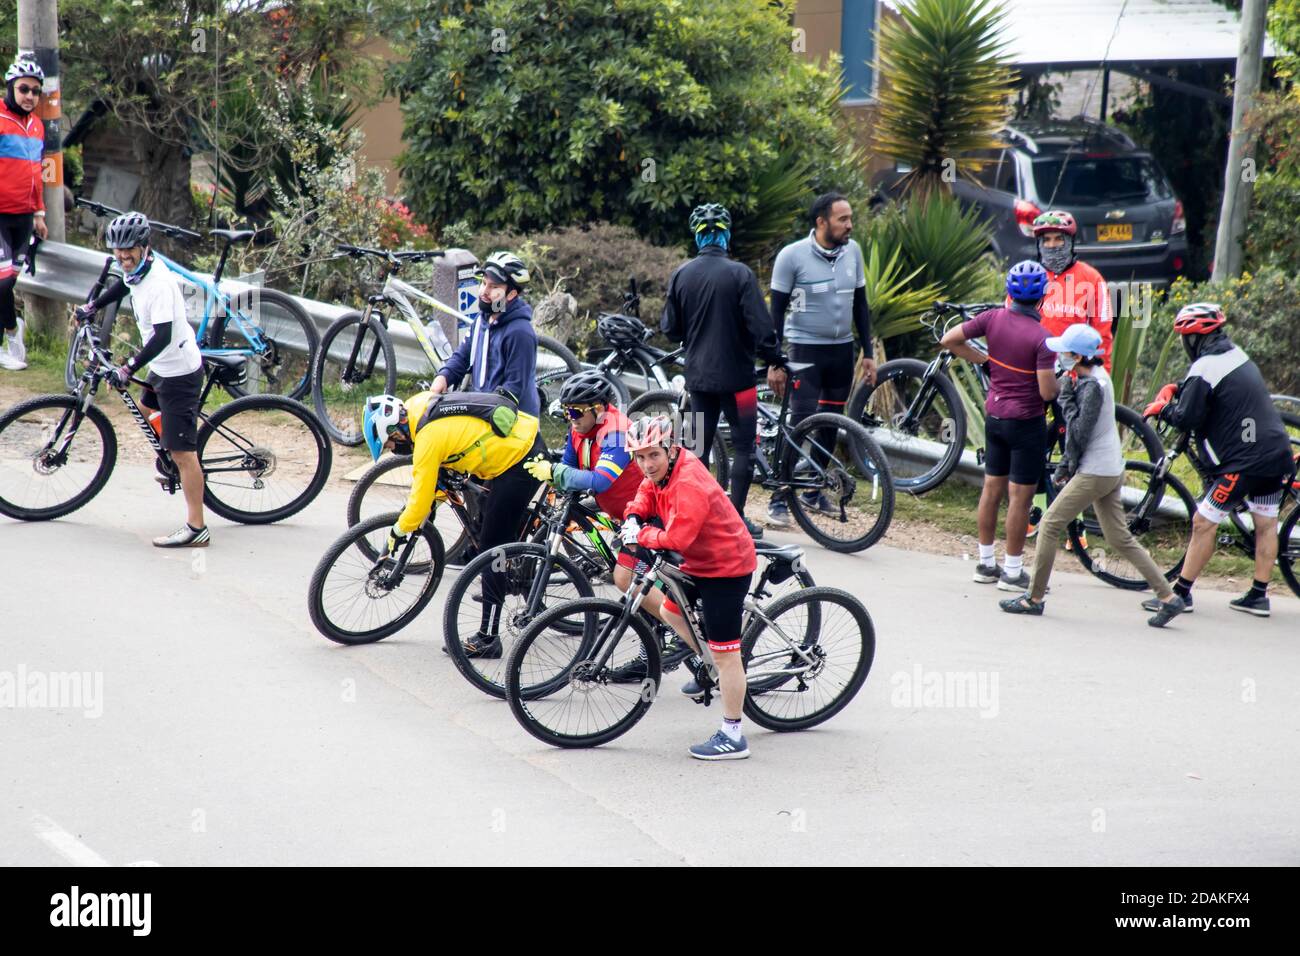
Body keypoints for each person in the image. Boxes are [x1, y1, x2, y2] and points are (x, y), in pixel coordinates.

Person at [999, 324, 1185, 626]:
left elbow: (1078, 432)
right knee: (1119, 537)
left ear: (1077, 355)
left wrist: (1065, 464)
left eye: (1064, 353)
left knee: (1048, 526)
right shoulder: (1097, 377)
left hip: (1096, 472)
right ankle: (1169, 597)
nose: (1060, 357)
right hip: (1111, 468)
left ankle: (1033, 598)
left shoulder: (1090, 388)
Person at [362, 388, 543, 654]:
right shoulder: (417, 406)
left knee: (493, 550)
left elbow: (420, 502)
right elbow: (435, 481)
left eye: (389, 444)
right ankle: (517, 570)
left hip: (519, 458)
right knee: (488, 518)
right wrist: (423, 507)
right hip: (513, 442)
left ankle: (488, 639)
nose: (393, 449)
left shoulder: (426, 439)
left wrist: (397, 533)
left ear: (396, 432)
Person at [1143, 303, 1295, 618]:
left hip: (1245, 461)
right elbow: (1222, 394)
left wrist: (1161, 408)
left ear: (1193, 339)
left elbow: (1187, 417)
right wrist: (1181, 389)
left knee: (1202, 522)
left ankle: (1181, 594)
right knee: (1266, 523)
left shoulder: (1205, 366)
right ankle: (1258, 595)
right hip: (1274, 453)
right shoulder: (1235, 354)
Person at [620, 414, 757, 760]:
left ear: (670, 448)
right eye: (640, 456)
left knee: (727, 656)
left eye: (653, 455)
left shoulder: (688, 483)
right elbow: (647, 490)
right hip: (700, 562)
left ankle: (733, 735)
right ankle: (708, 662)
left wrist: (642, 535)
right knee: (668, 609)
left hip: (726, 567)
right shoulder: (664, 471)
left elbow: (677, 537)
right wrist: (635, 515)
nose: (647, 464)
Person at [74, 212, 208, 546]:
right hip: (162, 367)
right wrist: (93, 306)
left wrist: (127, 368)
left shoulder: (159, 284)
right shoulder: (139, 269)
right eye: (118, 251)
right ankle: (172, 450)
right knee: (147, 415)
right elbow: (123, 284)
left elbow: (161, 336)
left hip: (178, 373)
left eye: (129, 250)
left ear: (145, 246)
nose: (123, 256)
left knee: (183, 454)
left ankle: (197, 527)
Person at [662, 203, 786, 540]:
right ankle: (736, 518)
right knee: (744, 446)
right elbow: (761, 327)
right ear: (726, 235)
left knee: (697, 448)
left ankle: (698, 518)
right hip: (740, 382)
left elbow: (671, 330)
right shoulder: (741, 274)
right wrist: (775, 357)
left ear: (698, 237)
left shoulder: (681, 274)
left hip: (700, 380)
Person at [940, 261, 1059, 591]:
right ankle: (1012, 571)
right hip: (1026, 424)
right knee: (1019, 500)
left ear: (1009, 293)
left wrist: (986, 361)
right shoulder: (1043, 339)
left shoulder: (991, 318)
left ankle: (985, 564)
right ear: (1042, 299)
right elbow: (1048, 391)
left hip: (994, 419)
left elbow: (949, 339)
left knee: (991, 490)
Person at [766, 191, 876, 527]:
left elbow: (860, 303)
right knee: (799, 423)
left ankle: (813, 490)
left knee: (830, 421)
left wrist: (868, 353)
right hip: (804, 350)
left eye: (850, 218)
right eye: (842, 219)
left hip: (840, 350)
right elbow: (776, 311)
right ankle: (779, 498)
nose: (849, 225)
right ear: (821, 222)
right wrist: (775, 360)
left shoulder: (852, 252)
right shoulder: (792, 256)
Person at [430, 251, 539, 416]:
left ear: (511, 294)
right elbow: (462, 356)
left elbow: (513, 388)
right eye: (483, 283)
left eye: (494, 287)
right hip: (486, 410)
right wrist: (444, 376)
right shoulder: (482, 320)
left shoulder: (520, 333)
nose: (484, 292)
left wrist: (477, 408)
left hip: (512, 420)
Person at [0, 57, 49, 371]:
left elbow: (36, 173)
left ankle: (11, 334)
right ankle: (11, 335)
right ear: (10, 88)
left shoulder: (38, 126)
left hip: (25, 217)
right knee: (2, 282)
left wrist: (40, 213)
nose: (30, 96)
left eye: (35, 91)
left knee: (8, 283)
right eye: (23, 89)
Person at [1028, 211, 1114, 370]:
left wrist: (1100, 378)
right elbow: (1011, 326)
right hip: (1033, 373)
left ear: (1070, 241)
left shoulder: (1092, 279)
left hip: (1075, 375)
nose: (1052, 245)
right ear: (1039, 244)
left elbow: (1103, 338)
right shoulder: (1028, 277)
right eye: (1046, 240)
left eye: (1059, 239)